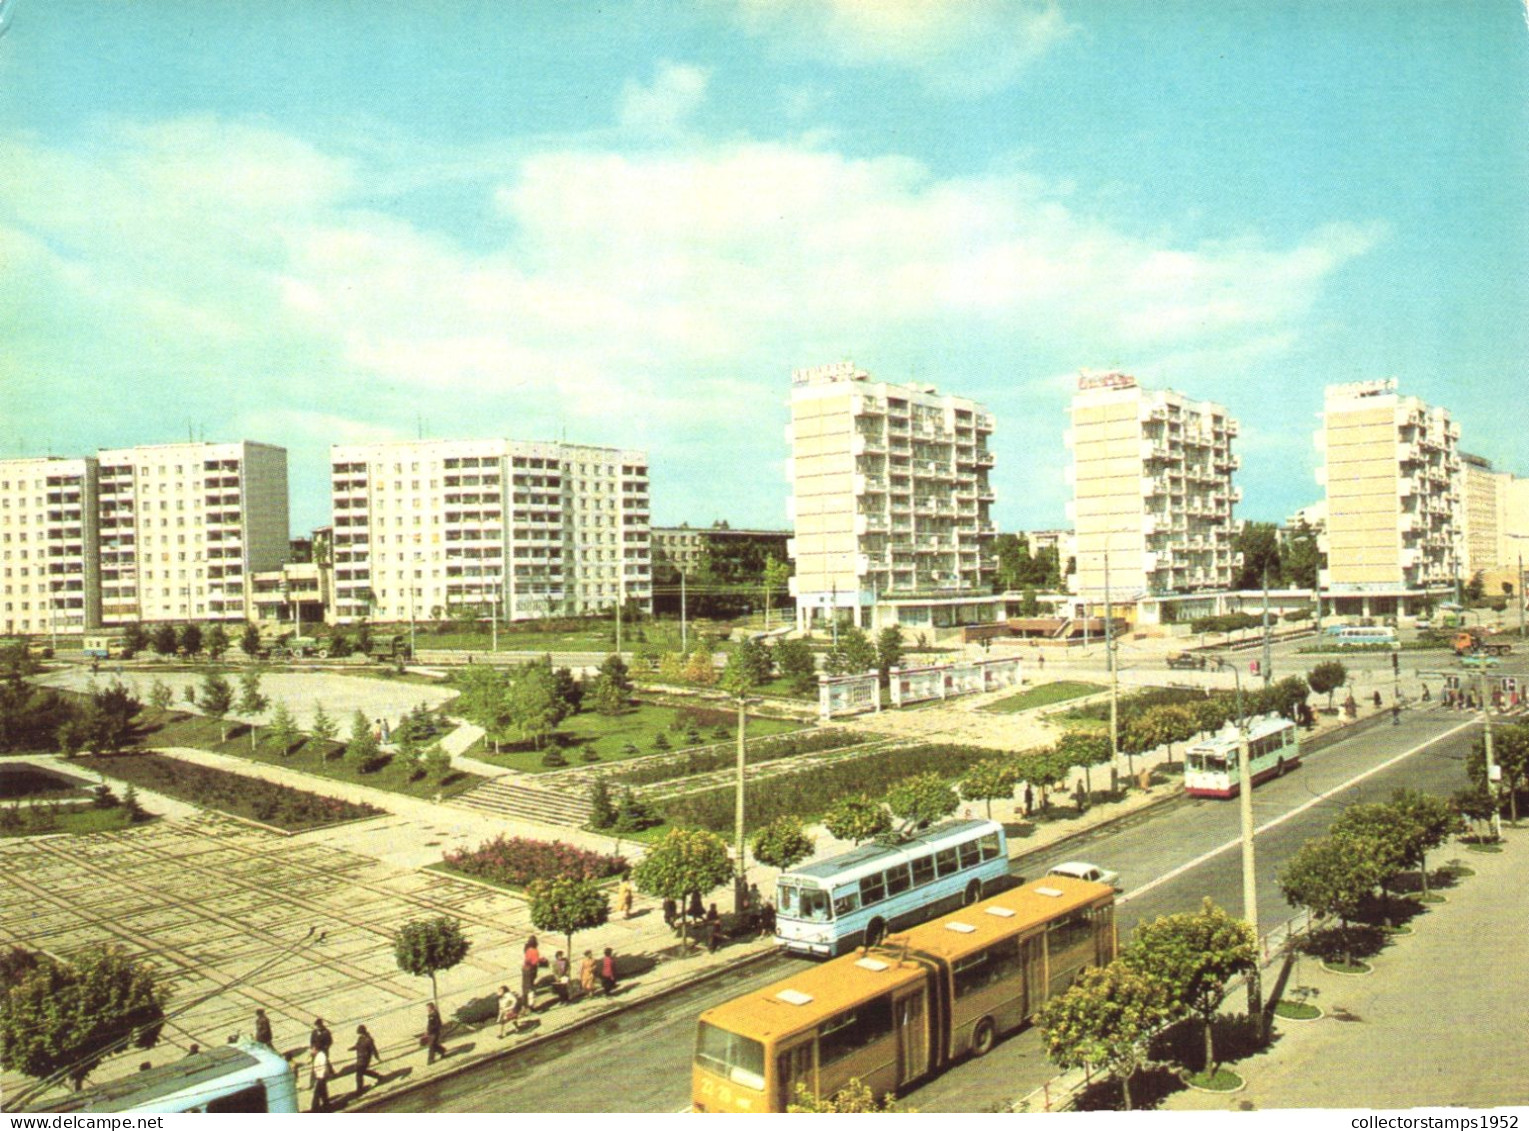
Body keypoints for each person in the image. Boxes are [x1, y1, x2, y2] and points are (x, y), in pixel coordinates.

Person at [350, 1024, 382, 1093]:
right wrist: (352, 1048)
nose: (359, 1034)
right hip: (360, 1057)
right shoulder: (360, 1038)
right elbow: (357, 1045)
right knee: (363, 1071)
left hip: (365, 1058)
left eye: (360, 1032)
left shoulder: (369, 1040)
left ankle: (359, 1089)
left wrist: (377, 1057)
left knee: (359, 1073)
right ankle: (378, 1076)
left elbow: (373, 1049)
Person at [522, 935, 542, 1008]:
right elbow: (534, 962)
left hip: (525, 969)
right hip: (531, 970)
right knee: (530, 987)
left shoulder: (527, 949)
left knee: (525, 987)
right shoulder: (535, 951)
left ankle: (525, 1003)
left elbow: (527, 959)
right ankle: (530, 1004)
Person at [310, 1047, 332, 1112]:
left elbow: (323, 1066)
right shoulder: (317, 1056)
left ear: (316, 1049)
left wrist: (321, 1076)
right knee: (323, 1093)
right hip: (319, 1077)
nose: (311, 1051)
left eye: (312, 1049)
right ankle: (326, 1107)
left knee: (317, 1094)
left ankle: (315, 1109)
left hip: (321, 1077)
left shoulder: (321, 1056)